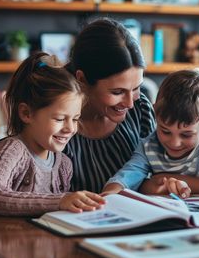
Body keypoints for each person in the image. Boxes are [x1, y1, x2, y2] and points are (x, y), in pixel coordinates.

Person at [0, 52, 105, 217]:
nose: (70, 128)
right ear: (26, 113)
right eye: (59, 119)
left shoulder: (64, 164)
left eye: (75, 119)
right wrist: (59, 201)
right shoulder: (12, 150)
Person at [102, 69, 199, 198]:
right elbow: (129, 174)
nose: (174, 143)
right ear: (155, 114)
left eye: (186, 135)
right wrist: (109, 193)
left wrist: (172, 179)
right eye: (165, 131)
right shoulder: (150, 145)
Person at [63, 17, 156, 193]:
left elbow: (156, 169)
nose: (129, 103)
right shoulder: (56, 123)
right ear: (82, 79)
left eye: (136, 88)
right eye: (117, 92)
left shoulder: (141, 108)